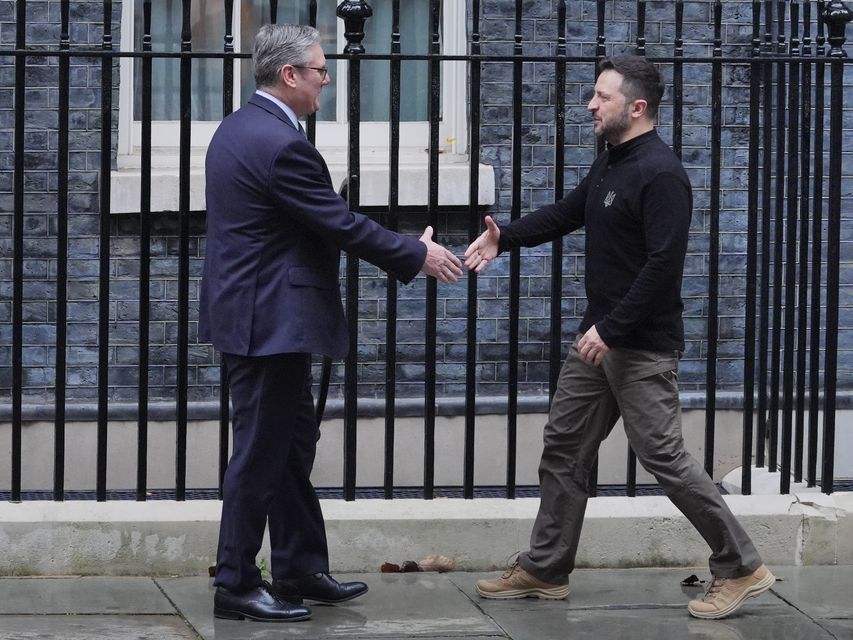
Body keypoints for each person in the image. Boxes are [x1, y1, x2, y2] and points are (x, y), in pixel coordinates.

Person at [465, 55, 774, 620]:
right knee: (564, 446)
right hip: (599, 340)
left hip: (638, 345)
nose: (590, 104)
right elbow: (568, 213)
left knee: (665, 458)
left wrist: (610, 329)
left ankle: (741, 565)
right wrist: (502, 238)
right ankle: (545, 567)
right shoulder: (613, 161)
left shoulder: (662, 175)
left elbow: (663, 268)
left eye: (601, 96)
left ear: (636, 107)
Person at [199, 23, 463, 623]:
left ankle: (298, 566)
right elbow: (338, 224)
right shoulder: (281, 144)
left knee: (289, 447)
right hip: (269, 322)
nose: (326, 79)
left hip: (256, 314)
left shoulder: (239, 129)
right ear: (289, 75)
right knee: (260, 454)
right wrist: (414, 254)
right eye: (319, 69)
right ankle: (237, 581)